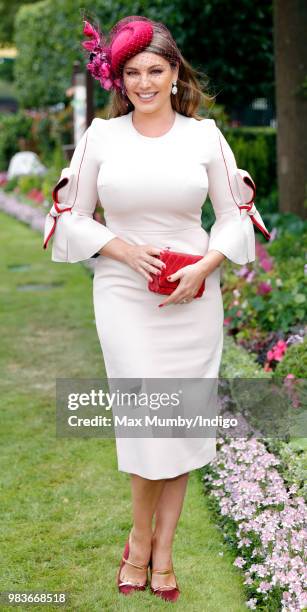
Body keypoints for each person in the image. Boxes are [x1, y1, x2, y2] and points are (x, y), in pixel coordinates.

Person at [43, 14, 270, 603]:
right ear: (119, 81)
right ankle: (139, 541)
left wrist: (203, 268)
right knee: (149, 422)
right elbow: (71, 214)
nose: (144, 83)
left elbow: (233, 215)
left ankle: (159, 553)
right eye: (132, 73)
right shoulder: (100, 136)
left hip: (192, 295)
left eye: (155, 71)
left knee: (180, 423)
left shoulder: (204, 136)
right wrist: (119, 247)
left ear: (175, 75)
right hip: (122, 295)